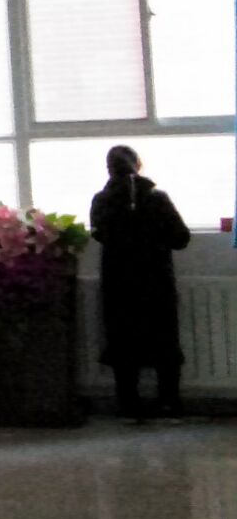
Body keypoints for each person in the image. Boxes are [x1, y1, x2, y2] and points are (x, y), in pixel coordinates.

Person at [90, 145, 191, 423]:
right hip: (156, 281)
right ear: (138, 164)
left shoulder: (101, 200)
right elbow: (181, 238)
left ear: (109, 169)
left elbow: (99, 235)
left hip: (118, 283)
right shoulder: (158, 198)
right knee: (164, 340)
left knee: (123, 342)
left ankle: (129, 405)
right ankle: (169, 402)